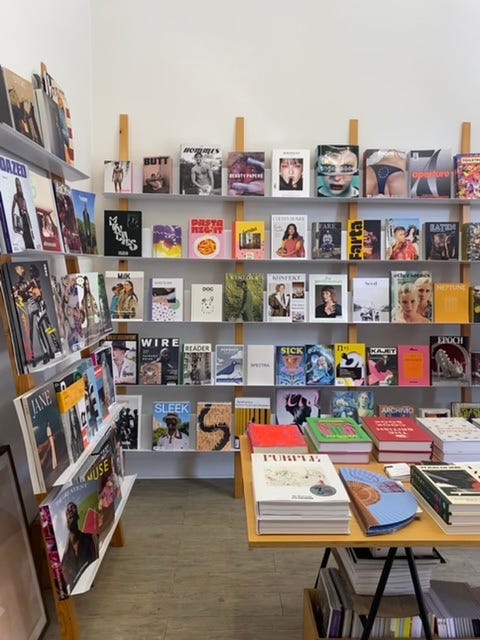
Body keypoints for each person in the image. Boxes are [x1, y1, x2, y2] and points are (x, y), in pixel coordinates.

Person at [61, 501, 98, 590]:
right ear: (66, 519)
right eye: (68, 510)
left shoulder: (89, 538)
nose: (70, 511)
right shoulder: (64, 555)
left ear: (78, 516)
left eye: (73, 508)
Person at [11, 177, 35, 249]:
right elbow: (13, 209)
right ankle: (28, 247)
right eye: (17, 185)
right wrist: (14, 223)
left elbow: (26, 209)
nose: (18, 186)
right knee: (25, 234)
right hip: (21, 217)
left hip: (26, 216)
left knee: (29, 233)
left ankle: (31, 247)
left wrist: (31, 225)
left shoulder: (23, 196)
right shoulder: (16, 196)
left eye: (19, 184)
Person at [81, 275, 100, 342]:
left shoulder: (91, 296)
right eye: (85, 284)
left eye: (87, 284)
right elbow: (82, 312)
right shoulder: (83, 299)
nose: (86, 286)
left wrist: (98, 315)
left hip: (93, 319)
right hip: (88, 321)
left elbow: (95, 307)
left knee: (95, 337)